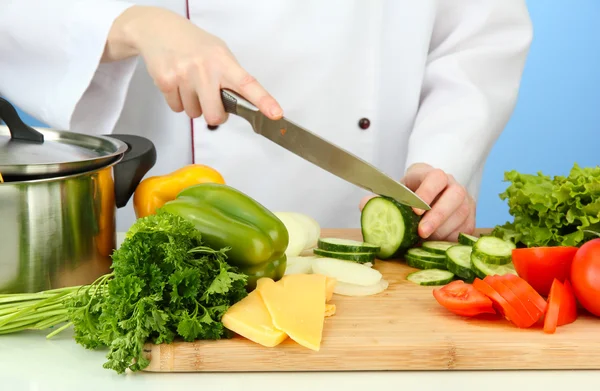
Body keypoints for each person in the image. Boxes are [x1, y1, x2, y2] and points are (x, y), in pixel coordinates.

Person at [0, 0, 533, 241]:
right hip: (164, 229)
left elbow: (480, 36)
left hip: (372, 224)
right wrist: (132, 21)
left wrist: (443, 159)